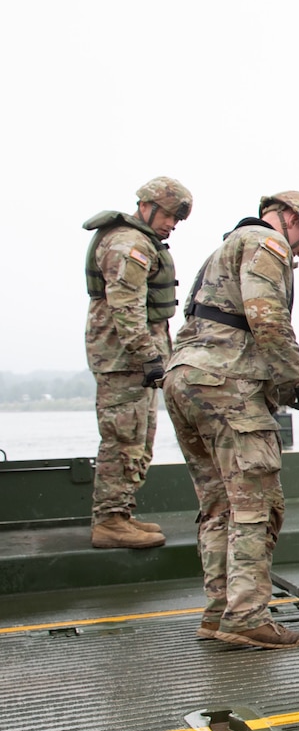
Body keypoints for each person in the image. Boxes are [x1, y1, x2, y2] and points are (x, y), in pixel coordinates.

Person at [165, 191, 299, 649]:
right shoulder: (268, 243)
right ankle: (246, 616)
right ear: (287, 218)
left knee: (218, 504)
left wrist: (290, 390)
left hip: (185, 378)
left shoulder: (221, 251)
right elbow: (267, 320)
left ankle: (219, 612)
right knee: (255, 502)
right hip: (227, 384)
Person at [83, 177, 192, 549]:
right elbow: (126, 309)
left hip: (134, 359)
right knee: (122, 438)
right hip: (123, 359)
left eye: (176, 220)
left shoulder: (138, 242)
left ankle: (121, 513)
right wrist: (148, 356)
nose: (171, 225)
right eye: (168, 216)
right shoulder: (128, 243)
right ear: (147, 206)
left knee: (139, 439)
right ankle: (109, 520)